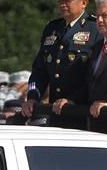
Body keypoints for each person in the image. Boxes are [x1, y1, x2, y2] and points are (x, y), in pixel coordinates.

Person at [23, 0, 100, 129]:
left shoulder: (95, 28)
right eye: (60, 1)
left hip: (83, 111)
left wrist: (72, 100)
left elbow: (95, 74)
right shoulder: (52, 28)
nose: (62, 4)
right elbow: (39, 71)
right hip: (56, 110)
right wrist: (32, 97)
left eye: (68, 1)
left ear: (84, 3)